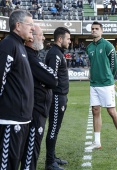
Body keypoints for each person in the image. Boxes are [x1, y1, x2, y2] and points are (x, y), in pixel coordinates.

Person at [0, 10, 35, 170]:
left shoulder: (20, 46)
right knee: (7, 165)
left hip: (22, 119)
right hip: (10, 120)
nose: (32, 28)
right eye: (30, 24)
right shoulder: (8, 45)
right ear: (18, 25)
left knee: (15, 163)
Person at [20, 25, 58, 170]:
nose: (43, 38)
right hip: (35, 111)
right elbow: (53, 79)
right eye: (41, 35)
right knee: (30, 152)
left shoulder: (33, 56)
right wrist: (46, 82)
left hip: (38, 110)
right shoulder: (29, 57)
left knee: (31, 151)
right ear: (31, 38)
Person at [85, 21, 117, 151]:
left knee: (111, 111)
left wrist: (111, 80)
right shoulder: (89, 47)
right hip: (94, 84)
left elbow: (114, 65)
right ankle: (97, 142)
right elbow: (92, 64)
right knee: (95, 110)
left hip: (106, 84)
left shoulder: (108, 46)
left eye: (96, 28)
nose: (94, 31)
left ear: (101, 31)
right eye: (92, 29)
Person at [45, 27, 71, 170]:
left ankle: (52, 157)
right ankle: (49, 163)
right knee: (53, 129)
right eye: (68, 39)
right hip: (56, 97)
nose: (70, 41)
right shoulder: (55, 54)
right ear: (60, 39)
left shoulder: (58, 53)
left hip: (60, 97)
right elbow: (51, 77)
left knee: (55, 128)